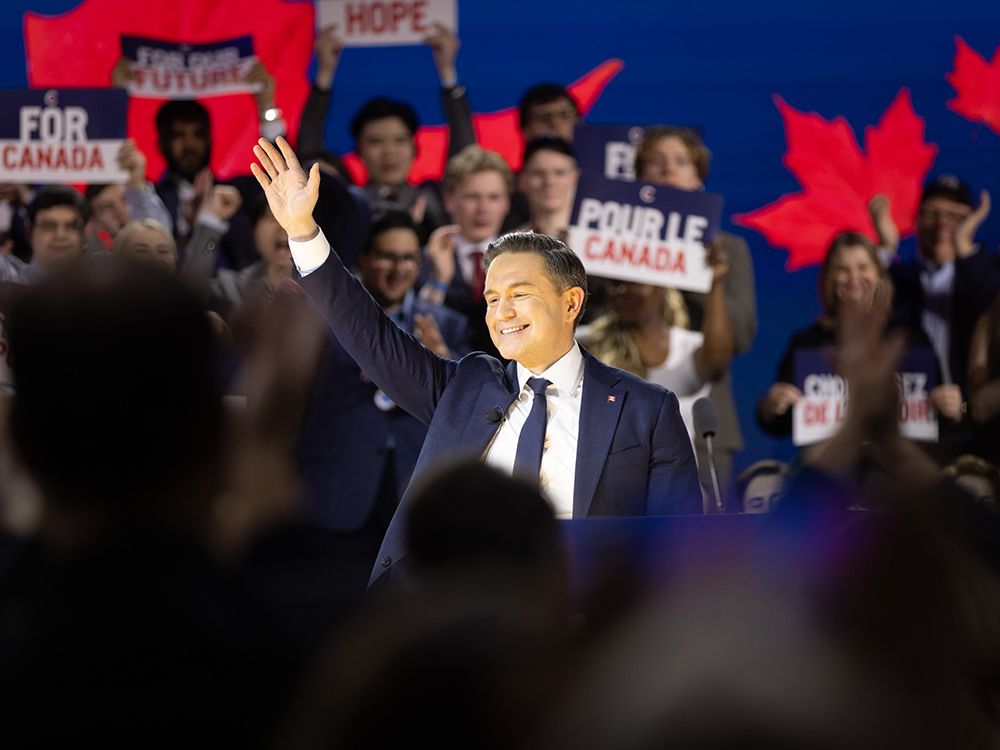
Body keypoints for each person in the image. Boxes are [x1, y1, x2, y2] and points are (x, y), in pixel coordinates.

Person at [250, 137, 702, 585]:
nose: (500, 313)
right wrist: (303, 233)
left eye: (519, 295)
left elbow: (674, 551)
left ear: (571, 303)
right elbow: (369, 334)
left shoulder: (645, 409)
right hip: (460, 619)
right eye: (491, 298)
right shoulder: (466, 387)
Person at [297, 211, 469, 577]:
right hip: (337, 489)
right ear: (363, 258)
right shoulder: (320, 320)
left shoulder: (448, 324)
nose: (398, 268)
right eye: (387, 256)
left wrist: (446, 361)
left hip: (415, 491)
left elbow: (468, 407)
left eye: (408, 258)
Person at [634, 126, 757, 491]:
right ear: (640, 179)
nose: (669, 170)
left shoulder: (729, 250)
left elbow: (742, 335)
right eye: (656, 163)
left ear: (698, 178)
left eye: (680, 162)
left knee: (701, 541)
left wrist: (696, 271)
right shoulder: (615, 248)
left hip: (704, 421)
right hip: (629, 416)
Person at [757, 231, 961, 437]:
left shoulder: (911, 338)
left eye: (863, 268)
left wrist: (958, 409)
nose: (854, 278)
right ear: (830, 278)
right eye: (843, 269)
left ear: (879, 275)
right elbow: (778, 423)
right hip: (830, 465)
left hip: (897, 466)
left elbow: (952, 413)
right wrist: (770, 407)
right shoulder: (808, 341)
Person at [297, 23, 475, 236]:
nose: (389, 152)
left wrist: (448, 74)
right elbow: (310, 156)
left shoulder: (435, 199)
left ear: (414, 147)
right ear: (358, 150)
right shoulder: (346, 203)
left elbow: (465, 158)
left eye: (399, 140)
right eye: (375, 142)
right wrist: (324, 74)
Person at [577, 241, 733, 460]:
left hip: (673, 486)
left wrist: (715, 283)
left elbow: (716, 366)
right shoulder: (586, 343)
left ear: (661, 286)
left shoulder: (687, 347)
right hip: (607, 485)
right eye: (615, 283)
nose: (622, 291)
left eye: (634, 283)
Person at [870, 175, 997, 395]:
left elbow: (992, 308)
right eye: (931, 214)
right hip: (909, 413)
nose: (942, 224)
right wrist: (885, 246)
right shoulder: (896, 278)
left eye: (955, 217)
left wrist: (963, 245)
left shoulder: (987, 272)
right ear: (916, 220)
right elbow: (859, 308)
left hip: (971, 412)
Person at [420, 145, 513, 354]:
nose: (483, 208)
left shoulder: (523, 261)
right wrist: (439, 281)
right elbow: (413, 324)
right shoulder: (424, 259)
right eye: (472, 197)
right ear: (449, 200)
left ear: (507, 203)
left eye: (494, 197)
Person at [516, 135, 579, 239]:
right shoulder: (507, 247)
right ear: (523, 179)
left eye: (559, 173)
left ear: (575, 178)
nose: (549, 182)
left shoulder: (600, 244)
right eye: (538, 173)